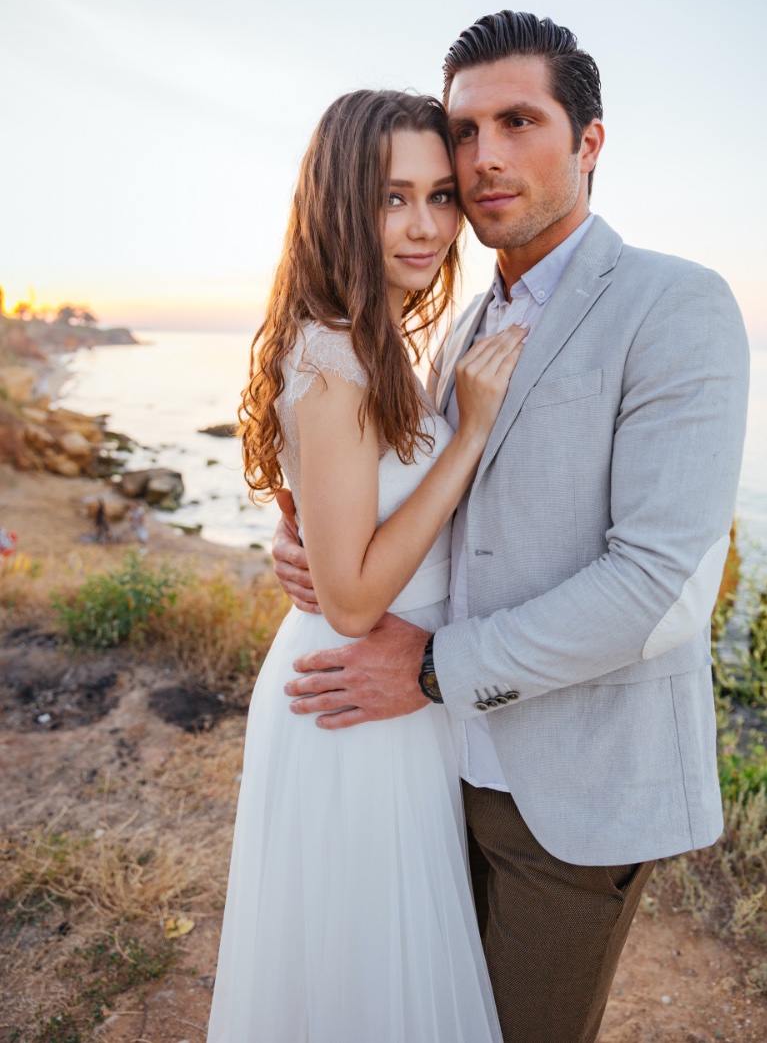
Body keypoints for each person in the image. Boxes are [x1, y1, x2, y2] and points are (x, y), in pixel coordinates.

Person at [273, 11, 751, 1043]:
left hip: (569, 794)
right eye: (465, 129)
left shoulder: (675, 306)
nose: (484, 157)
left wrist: (433, 665)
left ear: (587, 142)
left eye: (519, 121)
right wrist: (320, 544)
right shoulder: (453, 333)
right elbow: (439, 513)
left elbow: (657, 589)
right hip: (427, 770)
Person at [207, 88, 528, 1042]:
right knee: (359, 986)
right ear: (341, 204)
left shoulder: (378, 344)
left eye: (440, 195)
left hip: (382, 692)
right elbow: (349, 599)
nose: (428, 226)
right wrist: (469, 436)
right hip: (347, 695)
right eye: (394, 198)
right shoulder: (337, 353)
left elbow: (332, 519)